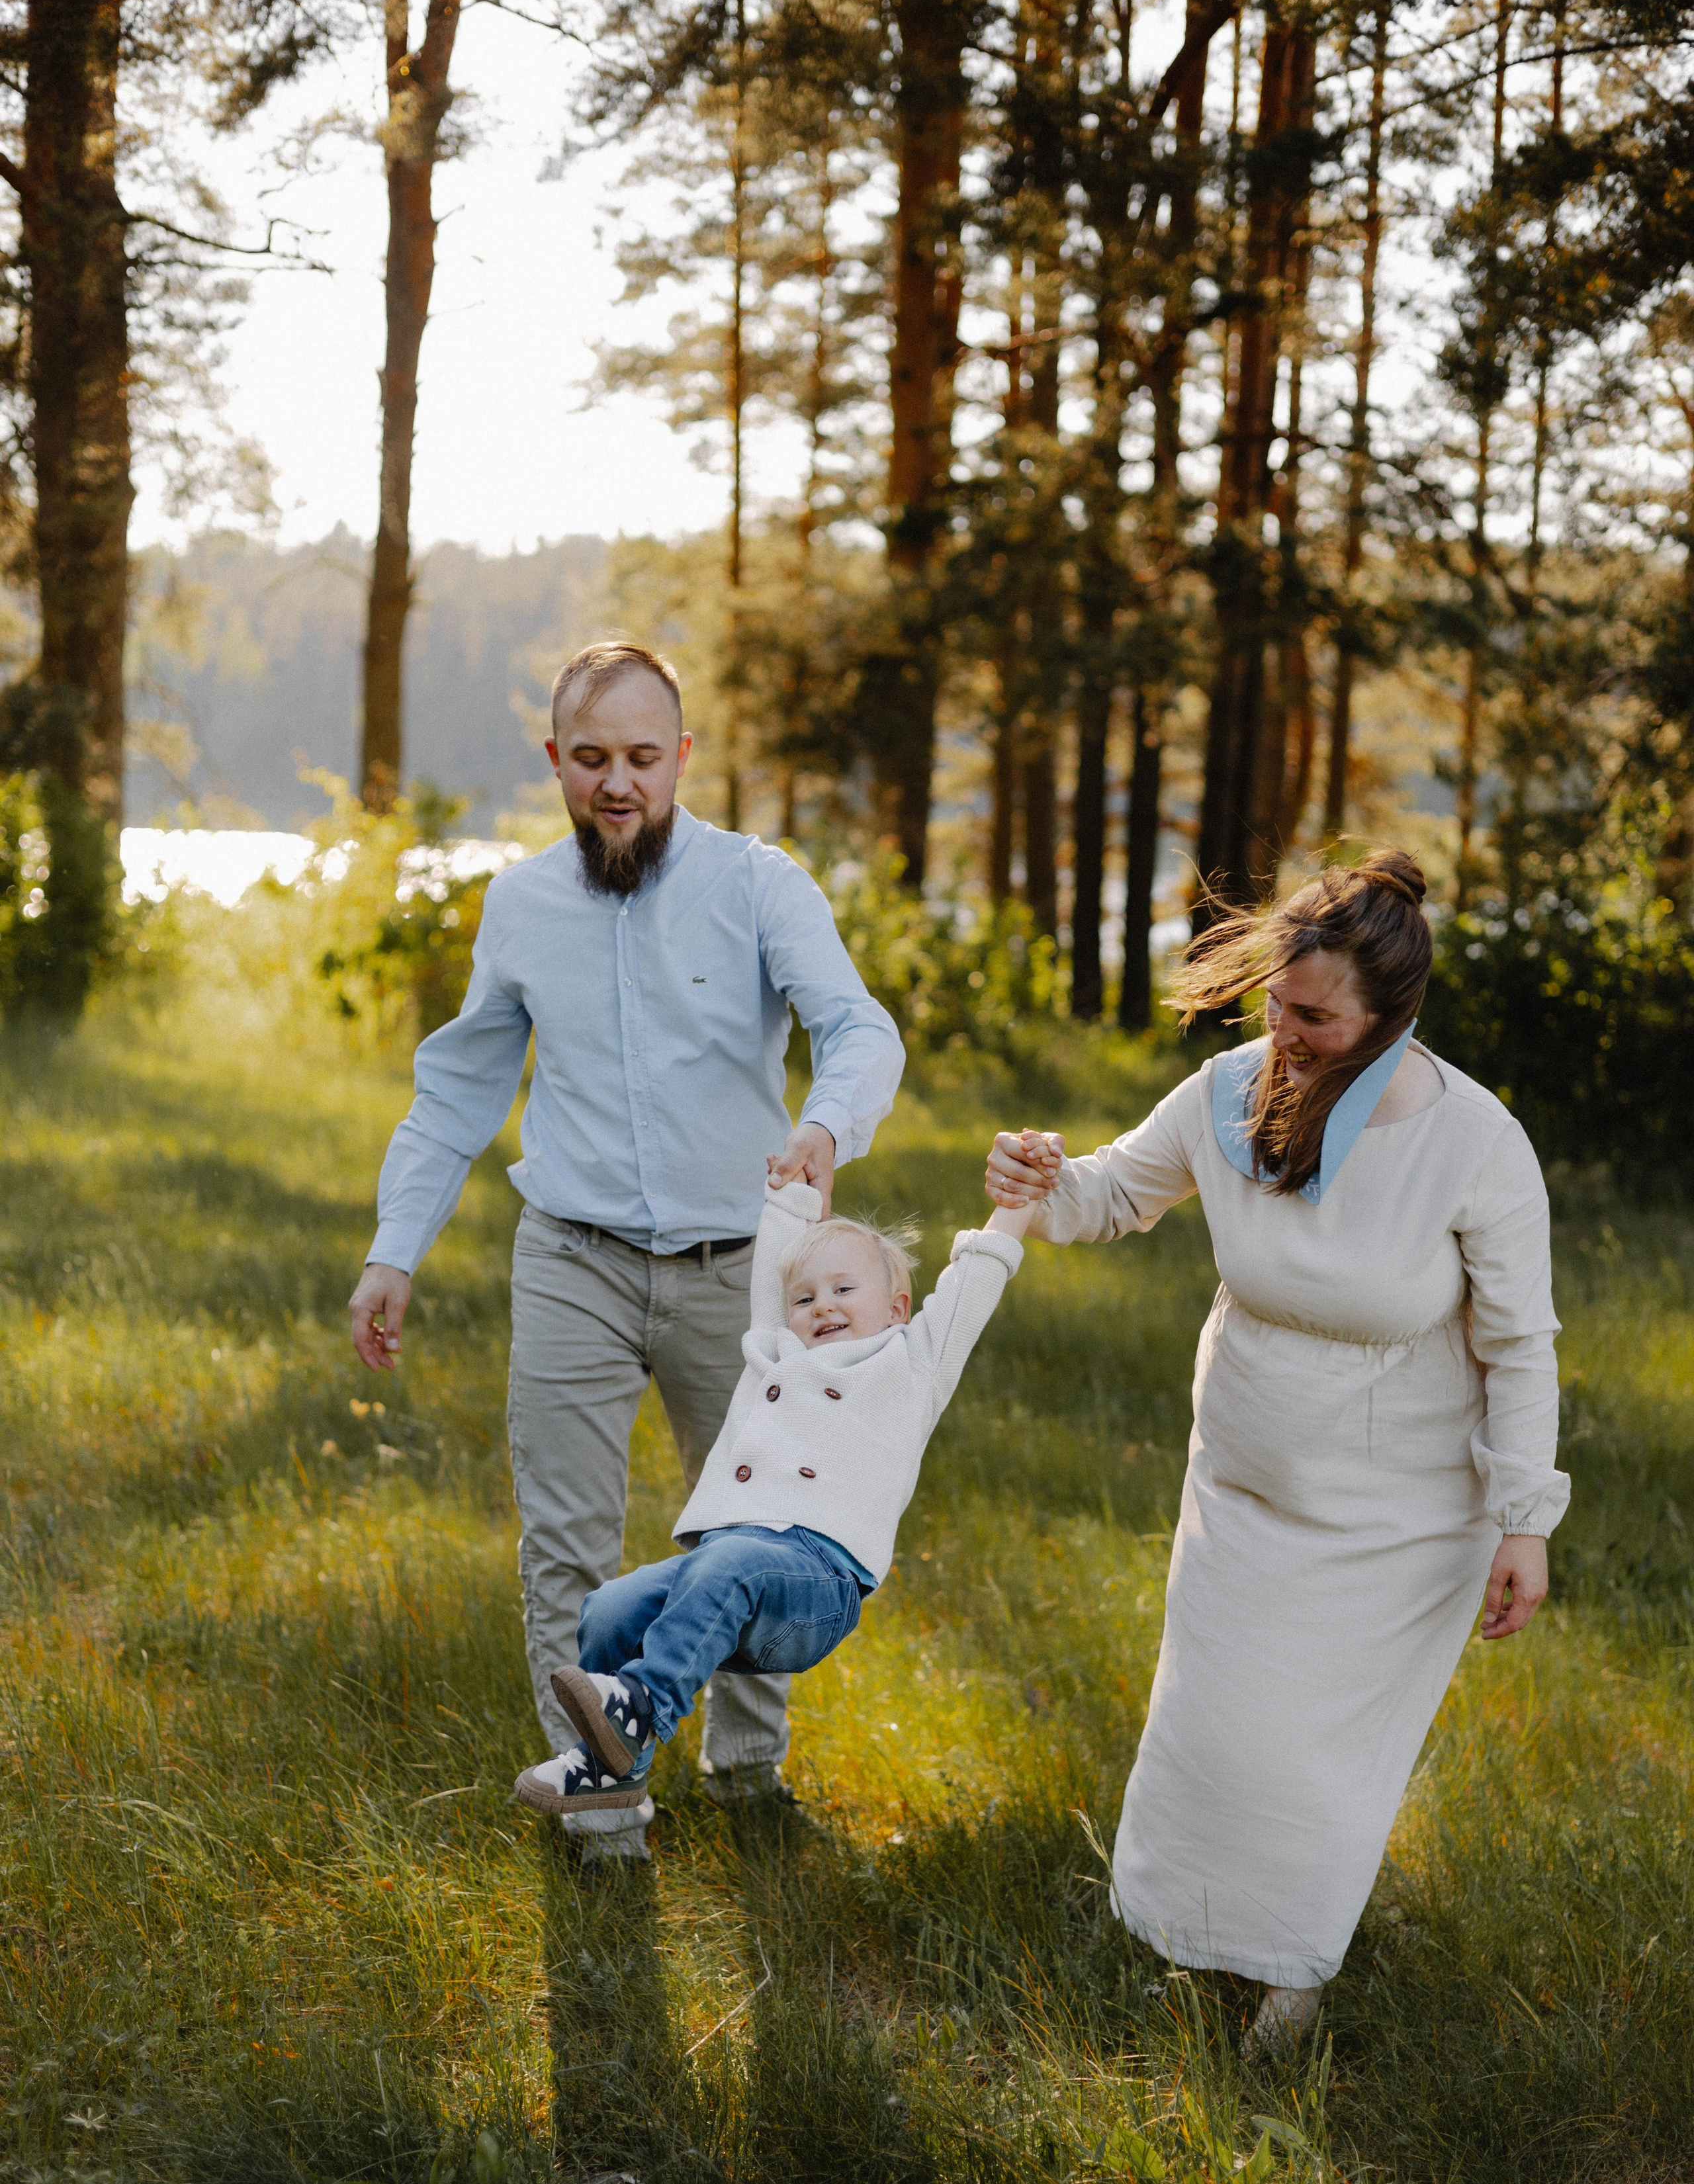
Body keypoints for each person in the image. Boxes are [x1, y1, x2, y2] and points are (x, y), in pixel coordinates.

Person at [985, 850, 1569, 2048]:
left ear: (1388, 1016)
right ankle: (1190, 1938)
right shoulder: (1225, 1093)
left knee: (1315, 1766)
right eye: (1276, 1004)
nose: (1285, 1033)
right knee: (1211, 1730)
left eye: (1314, 1016)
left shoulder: (1475, 1141)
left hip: (1400, 1521)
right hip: (1243, 1485)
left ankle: (1291, 1974)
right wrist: (1035, 1177)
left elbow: (1521, 1344)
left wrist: (1526, 1519)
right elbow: (1106, 1197)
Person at [348, 639, 905, 1859]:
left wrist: (825, 1123)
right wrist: (398, 1248)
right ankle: (603, 1801)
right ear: (555, 760)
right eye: (592, 758)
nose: (619, 783)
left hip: (741, 1271)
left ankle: (750, 1774)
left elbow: (859, 1029)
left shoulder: (760, 885)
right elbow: (457, 1092)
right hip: (573, 1258)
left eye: (644, 759)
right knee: (566, 1541)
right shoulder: (524, 905)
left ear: (683, 759)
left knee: (756, 1534)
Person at [512, 1178, 1028, 1815]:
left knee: (730, 1564)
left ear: (897, 1308)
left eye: (844, 1289)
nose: (822, 1306)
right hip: (728, 1573)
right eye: (806, 1298)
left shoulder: (914, 1364)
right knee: (609, 1610)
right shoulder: (771, 1353)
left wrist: (1019, 1203)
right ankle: (613, 1768)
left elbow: (972, 1286)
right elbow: (774, 1271)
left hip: (817, 1584)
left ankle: (642, 1709)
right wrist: (792, 1192)